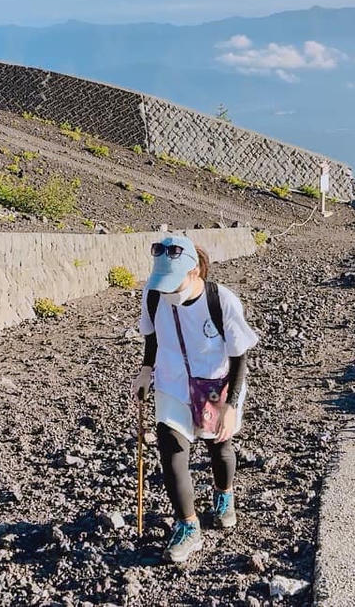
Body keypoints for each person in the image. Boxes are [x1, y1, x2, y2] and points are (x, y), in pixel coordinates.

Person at [129, 234, 260, 563]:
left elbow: (239, 356)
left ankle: (224, 494)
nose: (168, 291)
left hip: (214, 384)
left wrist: (231, 406)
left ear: (194, 272)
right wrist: (145, 371)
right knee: (172, 451)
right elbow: (152, 337)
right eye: (163, 284)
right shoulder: (154, 294)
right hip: (171, 382)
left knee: (220, 447)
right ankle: (188, 526)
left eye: (174, 283)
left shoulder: (222, 301)